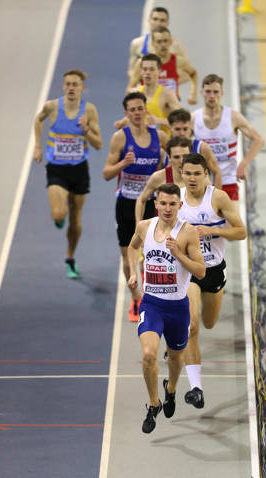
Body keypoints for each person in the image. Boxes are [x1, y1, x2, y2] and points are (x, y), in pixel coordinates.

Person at [127, 183, 205, 433]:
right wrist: (132, 273)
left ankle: (170, 389)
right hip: (152, 304)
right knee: (149, 355)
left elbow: (201, 272)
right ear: (156, 205)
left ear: (180, 206)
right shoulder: (144, 226)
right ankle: (153, 404)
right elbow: (132, 247)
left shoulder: (188, 233)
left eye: (173, 204)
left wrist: (178, 254)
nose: (168, 208)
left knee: (175, 358)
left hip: (177, 308)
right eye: (163, 203)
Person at [178, 153, 246, 408]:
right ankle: (196, 388)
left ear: (206, 174)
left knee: (208, 323)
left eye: (198, 173)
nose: (193, 178)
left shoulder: (217, 197)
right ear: (182, 174)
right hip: (188, 272)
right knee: (192, 325)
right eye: (188, 173)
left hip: (214, 271)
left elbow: (241, 231)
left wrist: (213, 230)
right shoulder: (176, 199)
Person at [103, 91, 167, 322]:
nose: (137, 113)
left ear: (145, 110)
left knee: (152, 254)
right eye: (133, 110)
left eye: (141, 108)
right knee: (127, 255)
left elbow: (175, 157)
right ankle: (135, 298)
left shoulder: (159, 136)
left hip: (152, 203)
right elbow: (106, 174)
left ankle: (153, 297)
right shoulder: (120, 138)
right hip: (126, 203)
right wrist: (124, 163)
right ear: (126, 114)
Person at [33, 69, 102, 279]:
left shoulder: (89, 111)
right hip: (57, 168)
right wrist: (37, 145)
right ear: (63, 86)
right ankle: (58, 217)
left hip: (80, 170)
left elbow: (98, 144)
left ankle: (70, 258)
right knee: (59, 214)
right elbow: (38, 119)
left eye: (75, 85)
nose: (71, 88)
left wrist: (85, 130)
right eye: (68, 84)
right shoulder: (52, 106)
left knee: (76, 220)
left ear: (82, 88)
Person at [192, 74, 264, 200]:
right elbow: (180, 144)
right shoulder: (194, 118)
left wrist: (243, 164)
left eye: (215, 92)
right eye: (208, 92)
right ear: (202, 92)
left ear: (222, 93)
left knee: (230, 219)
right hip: (202, 182)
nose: (212, 96)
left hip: (228, 179)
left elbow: (259, 140)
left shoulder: (233, 116)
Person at [128, 26, 198, 105]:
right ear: (153, 44)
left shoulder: (178, 61)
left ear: (170, 42)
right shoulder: (142, 63)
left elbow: (193, 74)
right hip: (149, 109)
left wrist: (193, 94)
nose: (163, 45)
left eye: (165, 41)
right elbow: (130, 88)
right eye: (159, 41)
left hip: (172, 109)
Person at [115, 53, 181, 136]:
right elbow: (133, 117)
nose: (148, 73)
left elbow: (181, 121)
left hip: (160, 146)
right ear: (141, 71)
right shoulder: (134, 93)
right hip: (137, 145)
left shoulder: (167, 94)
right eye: (145, 69)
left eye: (152, 69)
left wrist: (159, 120)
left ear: (159, 71)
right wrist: (123, 122)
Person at [135, 136, 193, 224]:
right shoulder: (159, 177)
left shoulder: (200, 178)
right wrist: (138, 227)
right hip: (165, 232)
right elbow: (141, 200)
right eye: (176, 157)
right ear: (169, 157)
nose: (182, 161)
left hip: (191, 230)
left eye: (185, 156)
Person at [127, 6, 190, 84]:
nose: (158, 23)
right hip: (144, 93)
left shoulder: (175, 45)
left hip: (168, 94)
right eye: (155, 19)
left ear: (167, 23)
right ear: (149, 20)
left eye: (162, 20)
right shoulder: (137, 43)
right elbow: (131, 70)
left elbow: (188, 73)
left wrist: (168, 84)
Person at [168, 109, 222, 189]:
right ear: (170, 129)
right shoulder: (165, 148)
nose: (182, 133)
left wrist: (216, 198)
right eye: (177, 129)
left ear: (190, 128)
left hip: (199, 195)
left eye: (185, 129)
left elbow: (217, 172)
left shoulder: (202, 148)